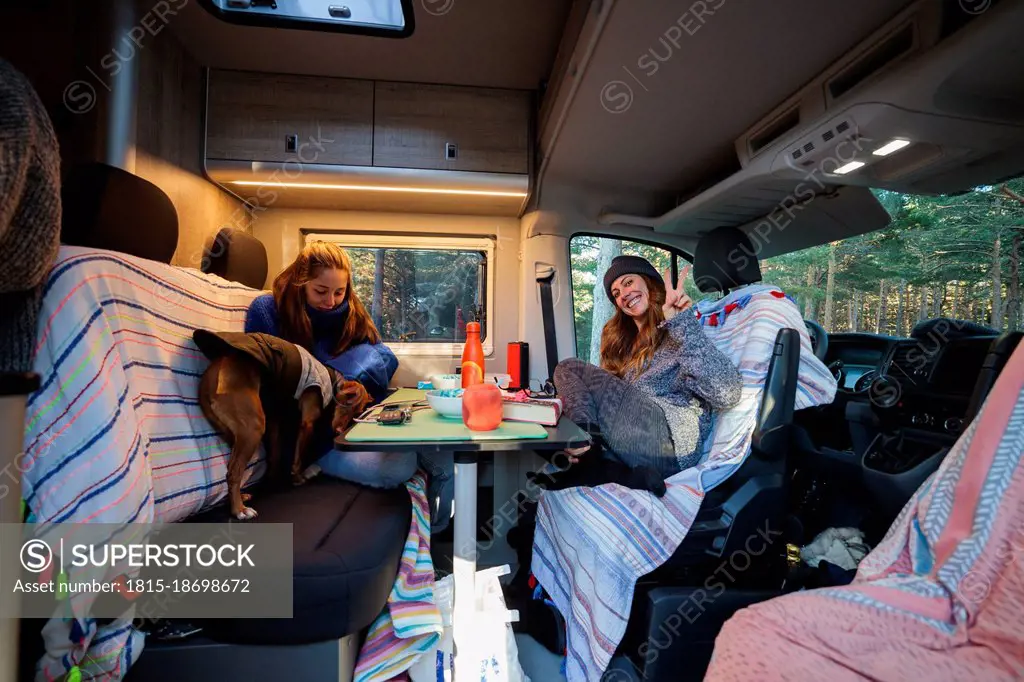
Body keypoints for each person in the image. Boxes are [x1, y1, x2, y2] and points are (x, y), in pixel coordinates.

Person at [245, 243, 453, 529]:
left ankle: (441, 532)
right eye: (320, 291)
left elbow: (384, 357)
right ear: (300, 281)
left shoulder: (349, 311)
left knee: (444, 446)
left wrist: (347, 376)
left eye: (339, 291)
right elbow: (270, 384)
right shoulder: (269, 310)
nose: (331, 301)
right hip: (311, 439)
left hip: (357, 417)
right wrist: (329, 378)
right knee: (399, 466)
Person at [553, 255, 743, 477]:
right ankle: (599, 463)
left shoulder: (682, 328)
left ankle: (589, 455)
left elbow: (727, 393)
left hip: (667, 445)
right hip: (635, 441)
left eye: (628, 282)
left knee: (569, 368)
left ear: (648, 281)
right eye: (616, 293)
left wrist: (681, 323)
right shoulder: (625, 345)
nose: (623, 294)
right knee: (552, 434)